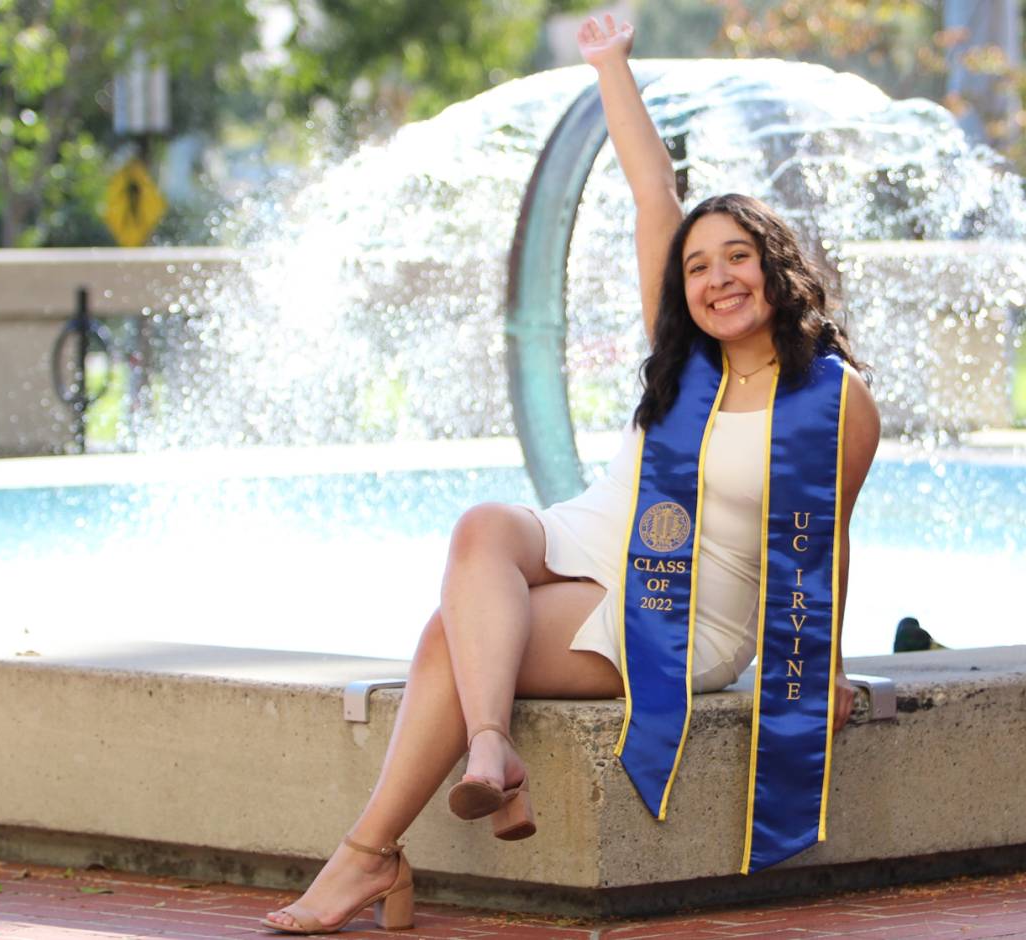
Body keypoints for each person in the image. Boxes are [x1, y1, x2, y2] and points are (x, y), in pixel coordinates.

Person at [262, 15, 879, 934]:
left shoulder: (832, 398)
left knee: (450, 635)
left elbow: (823, 544)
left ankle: (376, 853)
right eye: (699, 267)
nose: (715, 280)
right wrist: (609, 64)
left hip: (691, 603)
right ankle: (485, 753)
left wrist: (817, 672)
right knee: (482, 528)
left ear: (774, 266)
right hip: (600, 535)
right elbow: (649, 192)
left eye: (736, 259)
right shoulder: (688, 358)